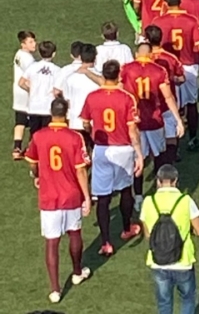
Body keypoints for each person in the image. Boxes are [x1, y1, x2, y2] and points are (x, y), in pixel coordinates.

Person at [24, 97, 92, 304]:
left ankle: (55, 289)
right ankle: (77, 271)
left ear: (51, 112)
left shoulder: (38, 136)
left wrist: (37, 175)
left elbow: (32, 162)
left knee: (52, 243)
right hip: (71, 194)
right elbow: (81, 170)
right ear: (67, 113)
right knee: (74, 234)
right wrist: (87, 197)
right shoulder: (74, 137)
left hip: (48, 196)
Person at [80, 60, 144, 256]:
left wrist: (93, 135)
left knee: (103, 196)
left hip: (101, 149)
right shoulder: (127, 98)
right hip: (123, 148)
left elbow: (85, 123)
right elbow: (132, 130)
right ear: (118, 75)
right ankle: (126, 229)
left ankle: (106, 242)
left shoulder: (92, 97)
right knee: (125, 189)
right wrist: (139, 154)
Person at [120, 43, 184, 210]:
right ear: (151, 55)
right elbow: (168, 97)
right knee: (159, 157)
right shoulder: (158, 71)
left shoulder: (126, 69)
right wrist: (178, 119)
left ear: (136, 54)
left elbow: (120, 93)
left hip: (136, 121)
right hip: (154, 121)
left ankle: (139, 197)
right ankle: (159, 193)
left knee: (138, 161)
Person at [153, 0, 199, 152]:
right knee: (191, 104)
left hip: (167, 67)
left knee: (173, 106)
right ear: (180, 1)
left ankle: (175, 145)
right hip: (189, 66)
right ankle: (193, 138)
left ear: (165, 3)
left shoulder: (158, 21)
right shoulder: (191, 20)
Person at [140, 164, 199, 314]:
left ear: (158, 181)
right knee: (187, 299)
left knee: (164, 303)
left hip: (158, 261)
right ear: (176, 181)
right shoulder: (186, 200)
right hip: (183, 261)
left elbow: (148, 235)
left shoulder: (148, 202)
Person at [146, 25, 186, 165]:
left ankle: (158, 164)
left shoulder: (144, 60)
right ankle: (171, 160)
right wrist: (173, 79)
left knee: (154, 139)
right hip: (169, 102)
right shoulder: (170, 57)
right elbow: (181, 78)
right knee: (171, 134)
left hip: (150, 105)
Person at [57, 44, 99, 153]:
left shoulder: (70, 78)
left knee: (78, 155)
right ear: (95, 57)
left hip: (76, 121)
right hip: (96, 122)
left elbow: (67, 101)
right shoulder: (100, 78)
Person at [19, 41, 61, 136]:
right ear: (53, 54)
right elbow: (57, 90)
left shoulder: (33, 67)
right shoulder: (57, 70)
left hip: (34, 107)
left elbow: (21, 83)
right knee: (46, 136)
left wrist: (31, 90)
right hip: (48, 108)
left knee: (34, 136)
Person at [12, 30, 36, 160]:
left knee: (20, 121)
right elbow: (31, 77)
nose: (34, 44)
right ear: (23, 44)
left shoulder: (19, 54)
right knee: (33, 120)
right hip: (26, 91)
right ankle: (31, 149)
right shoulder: (28, 58)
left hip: (18, 92)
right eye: (30, 42)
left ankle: (16, 148)